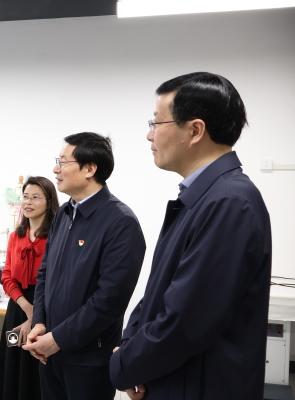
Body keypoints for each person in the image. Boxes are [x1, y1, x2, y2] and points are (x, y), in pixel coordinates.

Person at [109, 72, 272, 400]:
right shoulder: (203, 197)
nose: (149, 134)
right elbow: (158, 293)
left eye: (156, 123)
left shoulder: (228, 203)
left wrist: (124, 364)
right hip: (175, 380)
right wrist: (129, 351)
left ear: (195, 130)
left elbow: (185, 322)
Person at [23, 132, 146, 400]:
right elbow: (45, 274)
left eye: (63, 162)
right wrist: (40, 322)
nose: (55, 169)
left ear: (90, 169)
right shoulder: (65, 213)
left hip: (89, 360)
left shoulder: (120, 222)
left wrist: (59, 339)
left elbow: (110, 300)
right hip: (50, 352)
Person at [0, 176, 60, 400]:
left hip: (45, 311)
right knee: (12, 358)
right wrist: (26, 308)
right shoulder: (15, 236)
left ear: (49, 202)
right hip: (17, 309)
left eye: (36, 197)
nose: (28, 202)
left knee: (36, 364)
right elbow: (7, 275)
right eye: (25, 196)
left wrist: (35, 315)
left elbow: (55, 281)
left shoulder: (57, 238)